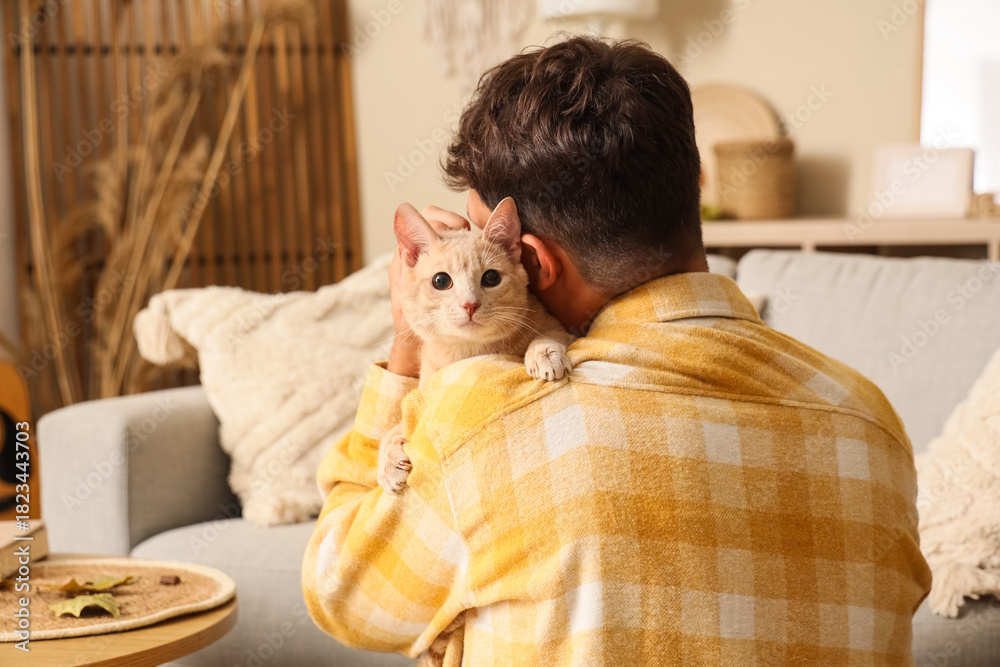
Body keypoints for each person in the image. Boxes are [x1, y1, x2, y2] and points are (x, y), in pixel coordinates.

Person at [302, 36, 931, 665]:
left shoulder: (479, 424)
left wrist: (411, 338)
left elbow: (338, 590)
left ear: (534, 265)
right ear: (692, 187)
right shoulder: (870, 421)